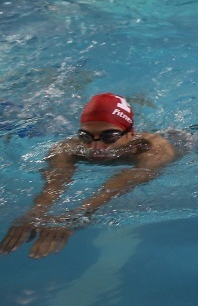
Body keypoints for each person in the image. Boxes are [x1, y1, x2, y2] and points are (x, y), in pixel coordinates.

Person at [0, 93, 177, 259]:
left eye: (109, 136)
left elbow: (124, 181)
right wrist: (36, 211)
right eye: (86, 136)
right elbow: (55, 181)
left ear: (131, 134)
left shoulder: (156, 149)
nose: (96, 147)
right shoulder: (68, 147)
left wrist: (78, 214)